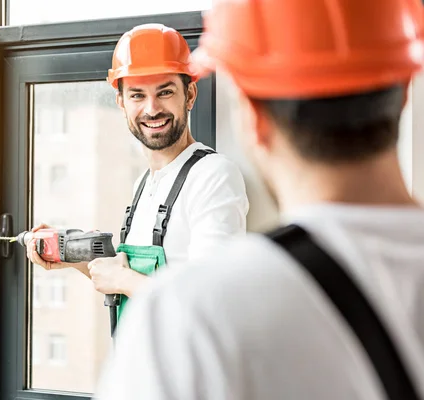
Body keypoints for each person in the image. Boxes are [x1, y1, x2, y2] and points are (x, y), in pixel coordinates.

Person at [94, 0, 424, 399]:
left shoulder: (190, 316)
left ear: (251, 117)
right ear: (406, 90)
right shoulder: (148, 196)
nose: (152, 107)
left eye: (164, 91)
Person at [27, 23, 249, 319]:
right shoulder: (144, 184)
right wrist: (70, 257)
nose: (152, 109)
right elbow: (130, 282)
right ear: (121, 102)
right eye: (137, 95)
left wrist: (122, 280)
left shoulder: (213, 176)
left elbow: (211, 302)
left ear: (190, 94)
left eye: (165, 92)